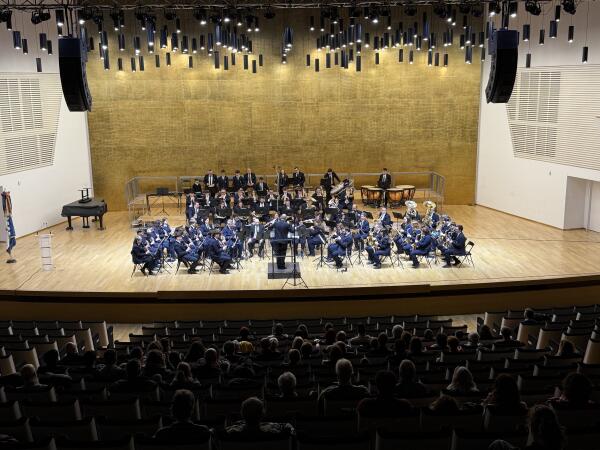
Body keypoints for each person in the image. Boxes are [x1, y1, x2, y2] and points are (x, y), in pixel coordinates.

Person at [225, 397, 295, 438]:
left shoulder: (230, 433)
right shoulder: (273, 433)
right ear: (262, 415)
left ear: (242, 415)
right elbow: (288, 427)